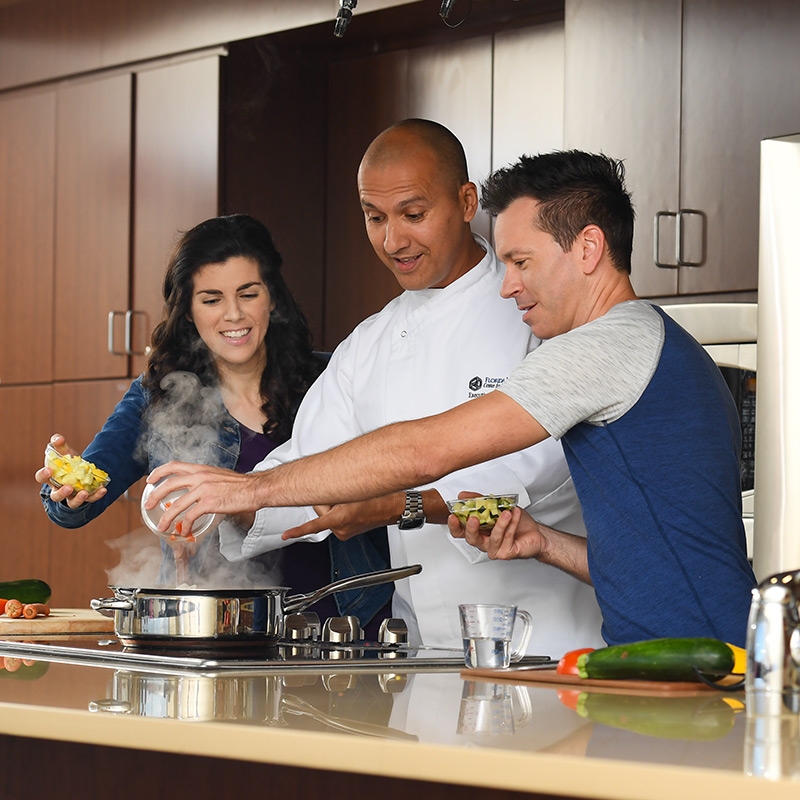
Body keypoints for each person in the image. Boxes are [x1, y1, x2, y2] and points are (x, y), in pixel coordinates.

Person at [145, 149, 758, 649]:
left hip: (692, 665)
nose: (509, 283)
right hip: (667, 661)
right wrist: (544, 543)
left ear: (589, 249)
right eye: (374, 216)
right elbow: (648, 557)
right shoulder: (637, 343)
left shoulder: (606, 345)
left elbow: (425, 450)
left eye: (521, 260)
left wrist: (249, 487)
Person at [36, 213, 391, 632]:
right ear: (188, 311)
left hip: (343, 628)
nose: (234, 315)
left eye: (248, 294)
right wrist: (69, 486)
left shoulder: (333, 379)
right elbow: (78, 506)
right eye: (211, 299)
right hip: (216, 634)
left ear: (272, 297)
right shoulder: (157, 394)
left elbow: (385, 480)